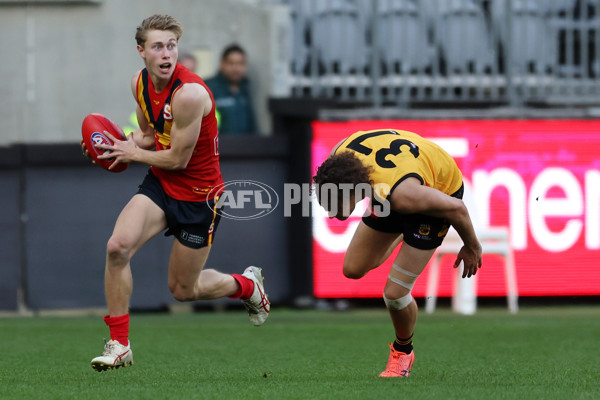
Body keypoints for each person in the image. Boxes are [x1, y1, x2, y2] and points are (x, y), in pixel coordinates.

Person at [80, 14, 270, 372]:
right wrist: (110, 146)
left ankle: (246, 286)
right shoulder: (139, 83)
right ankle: (120, 345)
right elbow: (151, 137)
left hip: (199, 194)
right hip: (161, 183)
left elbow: (178, 158)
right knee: (117, 248)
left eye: (172, 46)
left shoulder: (190, 94)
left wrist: (132, 152)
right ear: (141, 51)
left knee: (184, 290)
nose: (167, 54)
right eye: (157, 46)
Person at [312, 129, 482, 378]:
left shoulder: (403, 196)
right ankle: (404, 231)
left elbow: (457, 208)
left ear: (354, 190)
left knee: (394, 295)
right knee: (353, 268)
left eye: (335, 204)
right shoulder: (337, 158)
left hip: (437, 191)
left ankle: (403, 352)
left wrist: (472, 246)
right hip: (395, 183)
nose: (331, 214)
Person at [204, 44, 258, 135]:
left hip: (244, 146)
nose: (236, 68)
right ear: (222, 64)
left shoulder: (245, 88)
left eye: (240, 63)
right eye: (231, 63)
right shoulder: (207, 87)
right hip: (217, 147)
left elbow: (251, 125)